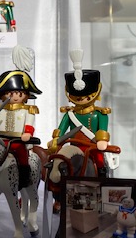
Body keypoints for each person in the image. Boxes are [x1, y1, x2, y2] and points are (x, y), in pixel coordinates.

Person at [48, 49, 112, 177]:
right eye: (77, 97)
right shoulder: (70, 114)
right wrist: (55, 139)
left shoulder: (99, 114)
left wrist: (102, 140)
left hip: (92, 146)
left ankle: (101, 178)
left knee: (99, 160)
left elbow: (102, 129)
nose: (81, 99)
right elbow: (61, 129)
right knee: (57, 160)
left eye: (86, 96)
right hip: (73, 146)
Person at [0, 70, 42, 189]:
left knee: (22, 154)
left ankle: (24, 177)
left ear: (26, 95)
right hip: (1, 140)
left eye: (20, 94)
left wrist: (27, 133)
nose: (16, 97)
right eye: (11, 94)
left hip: (18, 141)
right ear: (3, 94)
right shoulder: (0, 109)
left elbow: (29, 124)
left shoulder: (28, 110)